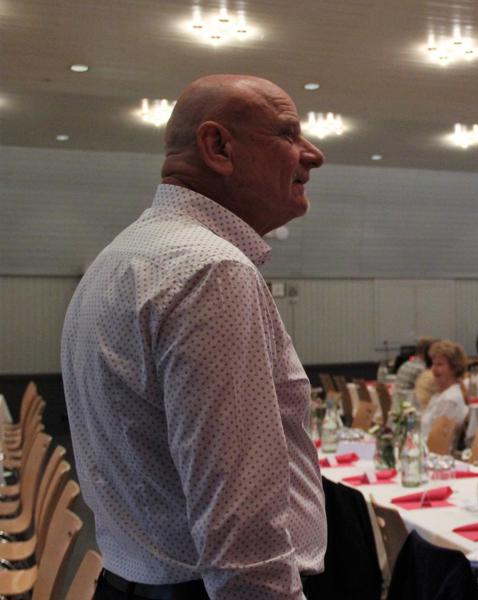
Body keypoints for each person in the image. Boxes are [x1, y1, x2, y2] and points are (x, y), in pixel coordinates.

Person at [61, 75, 326, 599]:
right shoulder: (211, 271)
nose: (313, 155)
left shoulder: (122, 256)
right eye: (288, 134)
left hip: (128, 579)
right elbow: (242, 535)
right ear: (218, 147)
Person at [421, 340, 469, 438]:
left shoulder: (450, 399)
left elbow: (438, 439)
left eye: (439, 365)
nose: (434, 369)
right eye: (433, 364)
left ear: (454, 368)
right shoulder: (440, 395)